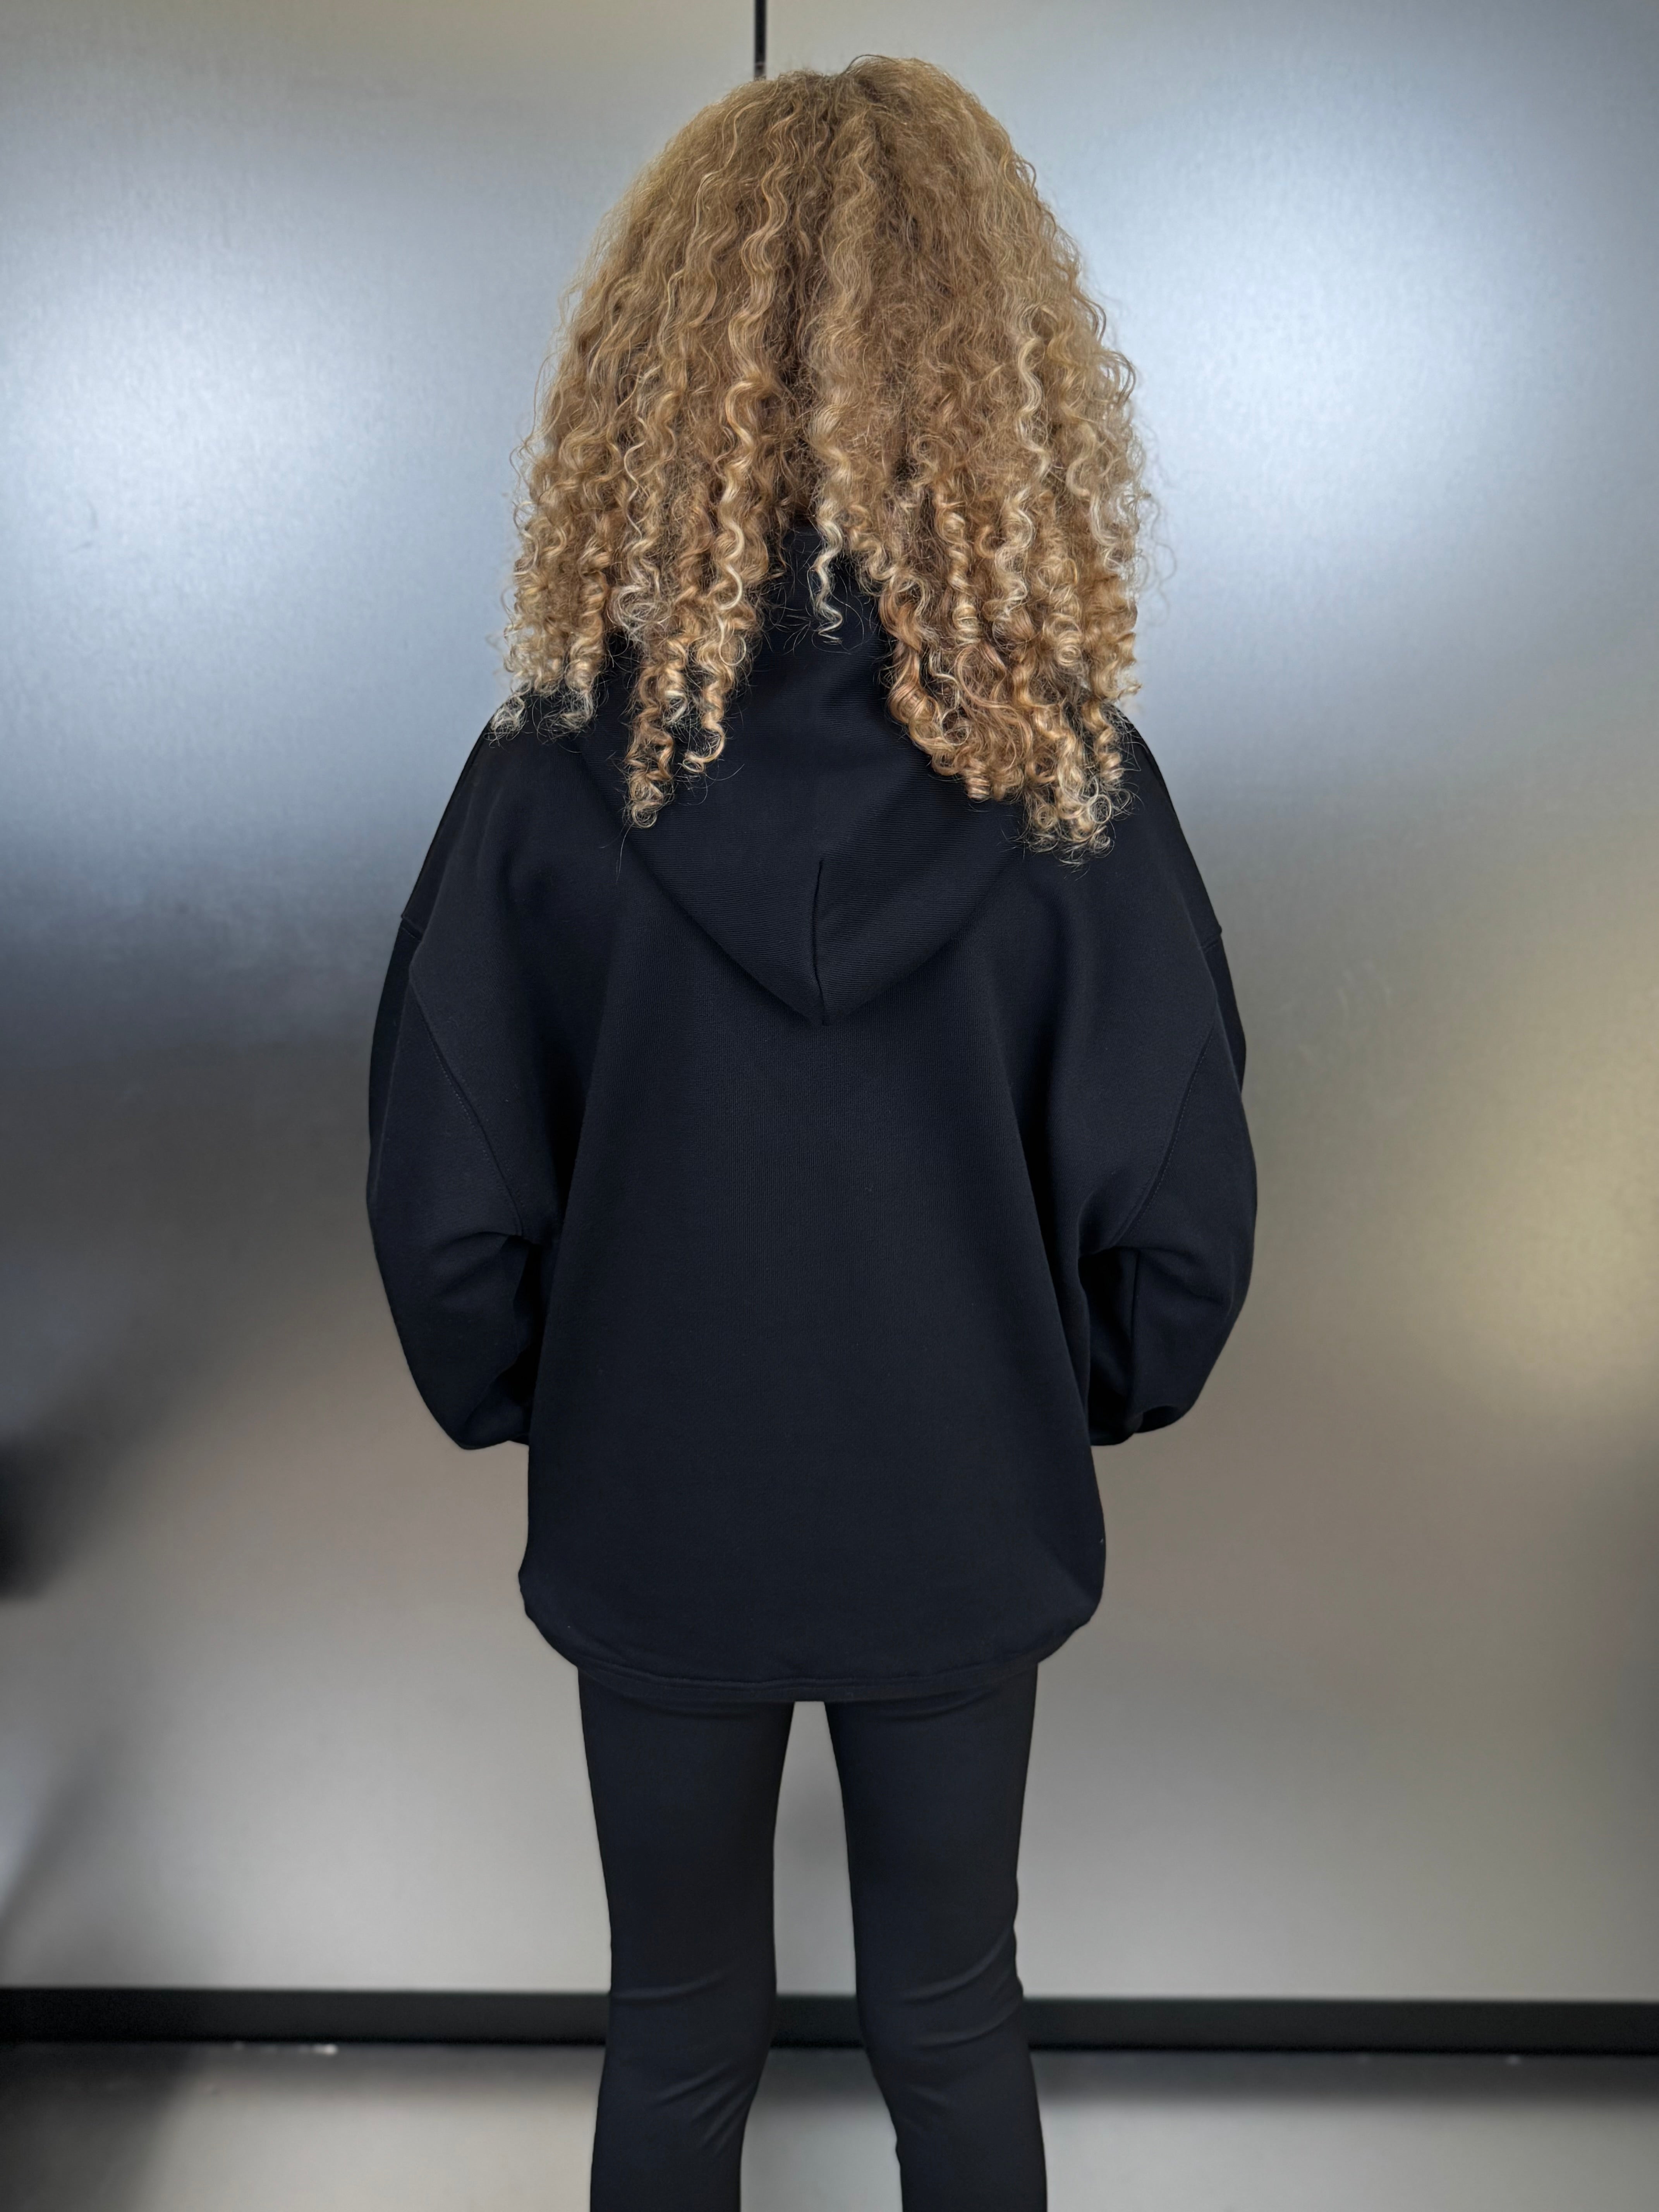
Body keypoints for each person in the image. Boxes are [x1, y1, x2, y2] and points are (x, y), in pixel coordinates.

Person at [366, 55, 1255, 2212]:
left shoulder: (551, 772)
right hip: (962, 1506)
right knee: (951, 2014)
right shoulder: (1072, 783)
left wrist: (553, 1395)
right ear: (997, 373)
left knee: (677, 2030)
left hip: (656, 1505)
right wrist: (1057, 1389)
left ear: (657, 373)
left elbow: (450, 1205)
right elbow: (1178, 1218)